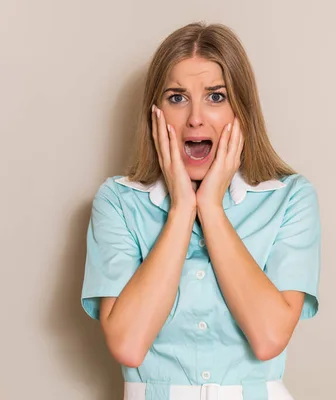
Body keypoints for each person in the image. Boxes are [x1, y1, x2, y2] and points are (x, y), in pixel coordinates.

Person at [80, 21, 321, 400]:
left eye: (216, 96)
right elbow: (128, 344)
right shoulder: (118, 202)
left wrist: (210, 207)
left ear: (242, 110)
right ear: (155, 112)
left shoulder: (289, 198)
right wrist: (180, 210)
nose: (195, 117)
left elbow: (269, 337)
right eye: (177, 97)